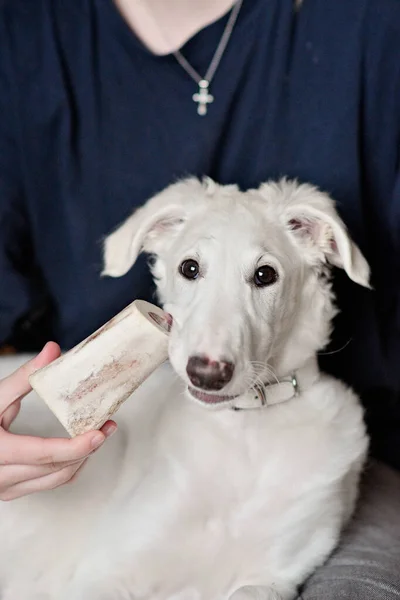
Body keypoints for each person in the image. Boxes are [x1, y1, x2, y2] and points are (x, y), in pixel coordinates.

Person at [0, 0, 399, 596]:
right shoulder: (25, 33)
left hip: (363, 457)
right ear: (156, 248)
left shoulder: (365, 24)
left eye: (262, 276)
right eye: (191, 268)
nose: (212, 355)